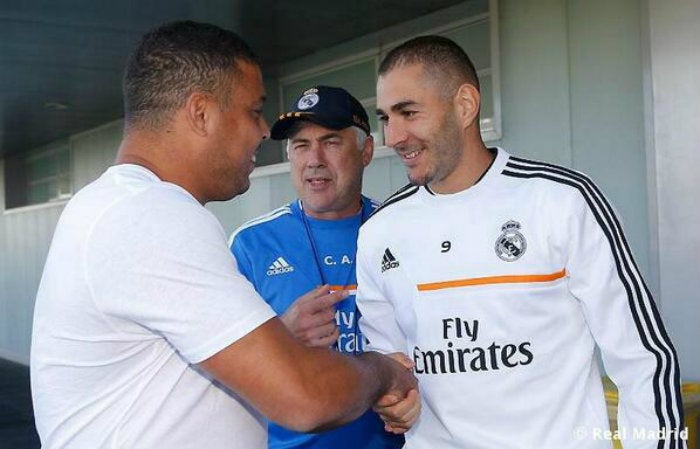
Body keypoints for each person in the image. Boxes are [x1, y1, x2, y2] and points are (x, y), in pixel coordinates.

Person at [30, 21, 418, 449]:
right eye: (253, 111)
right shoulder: (150, 214)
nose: (264, 131)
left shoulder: (117, 205)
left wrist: (281, 337)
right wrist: (383, 371)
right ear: (201, 113)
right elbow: (306, 399)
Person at [356, 35, 685, 449]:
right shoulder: (378, 232)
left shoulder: (562, 200)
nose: (393, 137)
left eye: (409, 113)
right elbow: (390, 368)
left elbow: (642, 359)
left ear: (464, 106)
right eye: (386, 117)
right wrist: (390, 398)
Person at [229, 85, 407, 449]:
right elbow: (222, 369)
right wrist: (281, 335)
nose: (314, 159)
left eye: (331, 142)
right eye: (301, 145)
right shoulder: (251, 244)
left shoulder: (402, 230)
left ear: (366, 150)